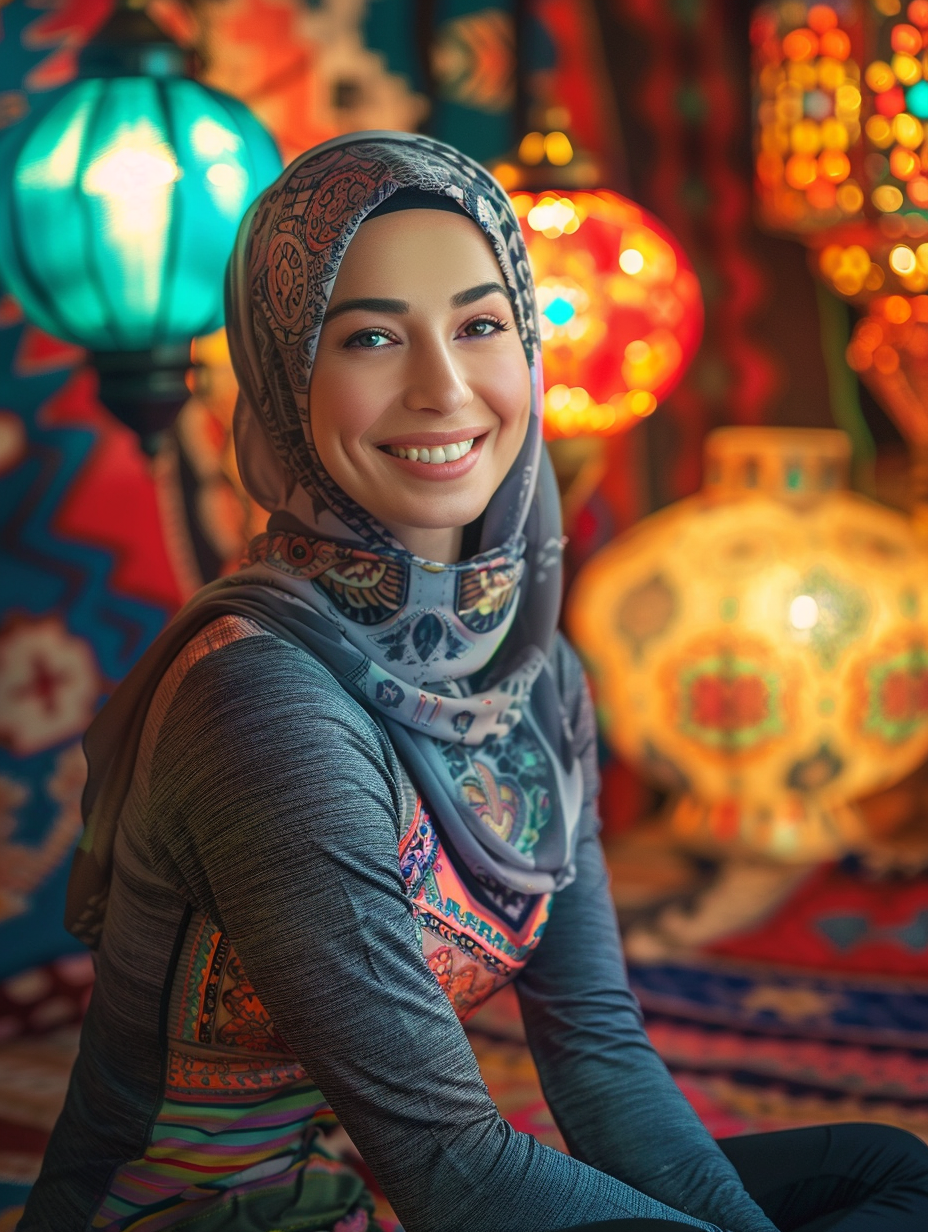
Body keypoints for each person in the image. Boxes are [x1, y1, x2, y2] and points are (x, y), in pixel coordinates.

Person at [17, 133, 928, 1232]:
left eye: (480, 324)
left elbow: (594, 1045)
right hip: (198, 1217)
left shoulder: (533, 668)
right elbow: (450, 1164)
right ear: (283, 371)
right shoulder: (265, 702)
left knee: (889, 1170)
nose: (443, 388)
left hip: (359, 1197)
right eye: (367, 337)